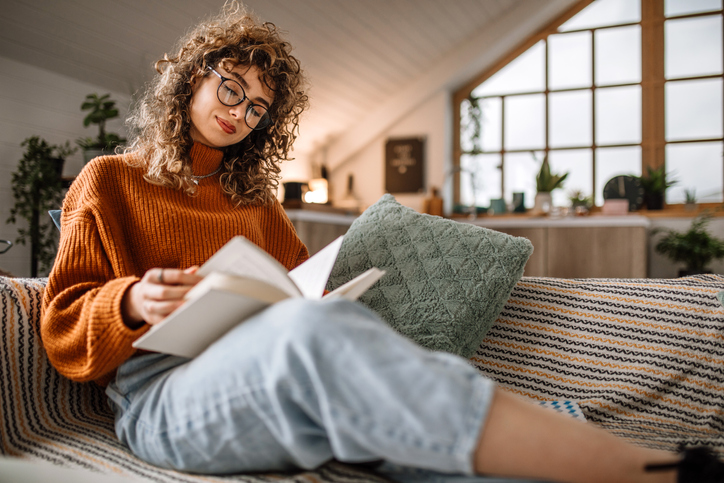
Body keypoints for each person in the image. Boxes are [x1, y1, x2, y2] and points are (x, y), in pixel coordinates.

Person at [40, 3, 721, 483]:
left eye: (255, 109)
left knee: (337, 333)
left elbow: (297, 289)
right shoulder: (110, 181)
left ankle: (565, 452)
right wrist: (130, 300)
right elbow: (62, 322)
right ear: (194, 73)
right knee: (318, 340)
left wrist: (323, 293)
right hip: (159, 393)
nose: (239, 112)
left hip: (260, 367)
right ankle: (651, 469)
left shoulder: (255, 203)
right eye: (232, 87)